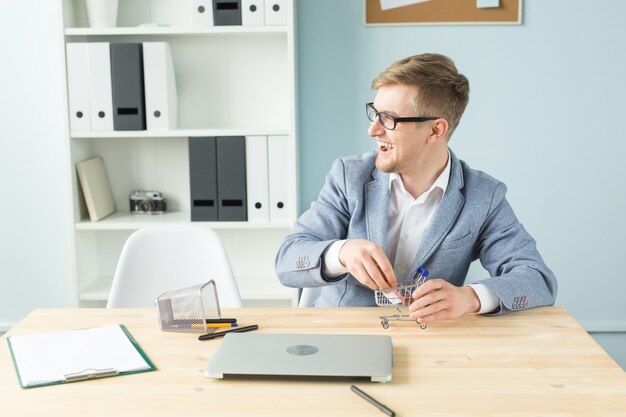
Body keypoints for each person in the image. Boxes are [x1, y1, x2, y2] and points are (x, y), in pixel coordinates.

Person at [275, 53, 557, 324]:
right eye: (374, 113)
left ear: (435, 130)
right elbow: (287, 261)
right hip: (343, 335)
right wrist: (340, 253)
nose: (373, 130)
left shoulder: (483, 195)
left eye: (389, 119)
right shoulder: (349, 177)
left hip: (432, 344)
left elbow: (538, 280)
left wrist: (470, 297)